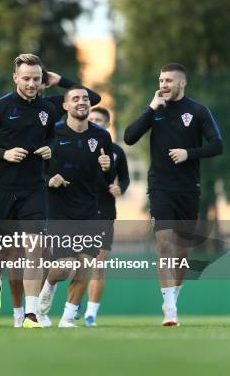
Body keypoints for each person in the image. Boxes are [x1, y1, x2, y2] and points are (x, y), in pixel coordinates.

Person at [124, 63, 222, 326]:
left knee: (181, 252)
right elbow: (129, 137)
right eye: (160, 80)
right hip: (160, 188)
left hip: (189, 190)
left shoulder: (198, 111)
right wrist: (149, 110)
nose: (163, 85)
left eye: (168, 80)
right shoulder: (154, 111)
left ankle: (173, 297)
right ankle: (169, 307)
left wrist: (189, 153)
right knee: (165, 244)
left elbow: (217, 144)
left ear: (182, 83)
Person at [0, 53, 55, 328]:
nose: (31, 84)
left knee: (35, 248)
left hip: (34, 188)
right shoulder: (0, 108)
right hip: (2, 188)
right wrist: (3, 154)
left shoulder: (48, 109)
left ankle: (31, 314)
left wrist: (51, 148)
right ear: (16, 78)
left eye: (36, 79)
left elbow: (53, 137)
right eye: (26, 78)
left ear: (42, 81)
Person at [36, 85, 115, 328]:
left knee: (85, 263)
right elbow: (35, 166)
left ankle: (68, 317)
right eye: (75, 98)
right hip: (58, 206)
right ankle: (47, 290)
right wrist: (49, 179)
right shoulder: (52, 132)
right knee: (64, 264)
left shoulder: (101, 136)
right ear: (65, 106)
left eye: (85, 98)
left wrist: (106, 167)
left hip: (89, 207)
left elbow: (108, 175)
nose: (82, 101)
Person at [84, 106, 130, 326]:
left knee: (98, 265)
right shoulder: (77, 145)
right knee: (77, 264)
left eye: (98, 120)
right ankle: (70, 308)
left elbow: (125, 178)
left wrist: (120, 188)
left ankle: (91, 314)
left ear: (107, 124)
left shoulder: (116, 151)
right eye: (91, 119)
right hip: (78, 212)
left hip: (105, 212)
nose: (94, 122)